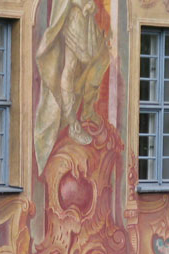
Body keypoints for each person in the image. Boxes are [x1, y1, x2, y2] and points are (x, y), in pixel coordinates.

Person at [34, 0, 110, 174]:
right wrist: (83, 5)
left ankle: (86, 111)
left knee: (100, 58)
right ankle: (72, 121)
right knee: (70, 68)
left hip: (87, 20)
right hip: (75, 17)